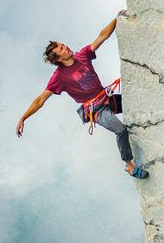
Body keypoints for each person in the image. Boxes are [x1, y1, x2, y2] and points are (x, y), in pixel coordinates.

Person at [15, 13, 149, 179]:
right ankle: (129, 166)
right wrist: (23, 118)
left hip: (107, 98)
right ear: (58, 58)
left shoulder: (82, 55)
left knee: (139, 103)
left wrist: (117, 18)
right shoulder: (59, 77)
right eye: (62, 48)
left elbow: (102, 36)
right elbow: (40, 100)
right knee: (120, 130)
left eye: (63, 44)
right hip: (96, 110)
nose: (66, 47)